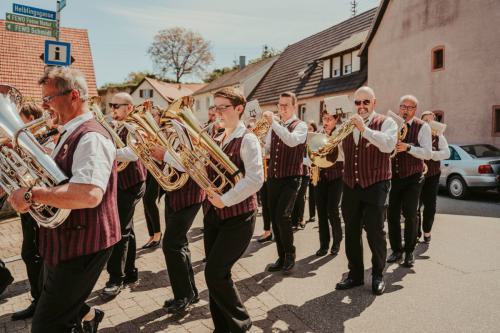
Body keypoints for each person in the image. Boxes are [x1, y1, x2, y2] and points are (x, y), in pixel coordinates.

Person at [7, 66, 120, 333]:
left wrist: (31, 194)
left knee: (47, 325)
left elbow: (88, 194)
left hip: (83, 243)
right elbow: (57, 178)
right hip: (66, 239)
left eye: (49, 99)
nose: (44, 106)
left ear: (74, 96)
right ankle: (86, 317)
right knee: (62, 309)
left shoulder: (91, 137)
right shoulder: (67, 131)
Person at [203, 87, 263, 332]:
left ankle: (240, 323)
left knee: (215, 273)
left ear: (239, 108)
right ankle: (222, 327)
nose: (217, 112)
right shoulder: (217, 137)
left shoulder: (247, 139)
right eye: (215, 107)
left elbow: (256, 179)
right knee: (215, 274)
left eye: (222, 107)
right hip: (213, 215)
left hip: (239, 216)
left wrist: (225, 200)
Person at [335, 86, 397, 295]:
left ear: (374, 103)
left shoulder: (386, 123)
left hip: (376, 184)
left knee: (375, 232)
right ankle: (355, 275)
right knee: (351, 232)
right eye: (357, 103)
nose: (361, 107)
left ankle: (378, 274)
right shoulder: (347, 125)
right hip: (351, 184)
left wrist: (365, 130)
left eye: (365, 102)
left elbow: (388, 146)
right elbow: (341, 153)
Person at [149, 145, 205, 313]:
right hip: (174, 195)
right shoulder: (170, 136)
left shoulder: (190, 135)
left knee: (171, 245)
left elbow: (192, 165)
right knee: (180, 243)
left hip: (189, 197)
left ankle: (183, 296)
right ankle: (189, 293)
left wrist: (165, 155)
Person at [104, 92, 147, 296]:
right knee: (126, 228)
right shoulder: (112, 126)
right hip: (117, 183)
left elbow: (132, 153)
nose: (112, 109)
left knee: (119, 229)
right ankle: (129, 272)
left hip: (131, 183)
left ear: (129, 108)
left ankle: (116, 278)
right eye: (111, 106)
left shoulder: (136, 127)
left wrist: (106, 151)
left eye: (116, 106)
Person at [263, 92, 307, 274]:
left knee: (283, 216)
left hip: (291, 177)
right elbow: (267, 148)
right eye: (280, 105)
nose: (281, 109)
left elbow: (291, 141)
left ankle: (290, 253)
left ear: (294, 107)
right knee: (274, 218)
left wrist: (273, 123)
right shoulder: (275, 127)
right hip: (274, 177)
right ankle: (281, 256)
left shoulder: (301, 126)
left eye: (286, 105)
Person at [387, 95, 432, 268]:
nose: (405, 110)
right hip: (394, 175)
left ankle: (409, 251)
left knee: (411, 214)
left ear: (415, 110)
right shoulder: (392, 124)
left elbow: (427, 153)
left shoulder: (423, 127)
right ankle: (396, 249)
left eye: (410, 107)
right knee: (392, 214)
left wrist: (408, 147)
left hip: (414, 176)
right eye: (403, 107)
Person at [11, 103, 45, 321]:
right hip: (27, 204)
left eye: (20, 118)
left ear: (31, 118)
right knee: (32, 254)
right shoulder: (25, 140)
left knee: (33, 254)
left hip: (39, 204)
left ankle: (42, 301)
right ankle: (39, 299)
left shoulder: (43, 138)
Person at [314, 111, 344, 256]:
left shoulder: (341, 134)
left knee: (332, 210)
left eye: (329, 119)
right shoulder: (318, 134)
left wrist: (334, 142)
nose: (326, 122)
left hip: (337, 175)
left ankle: (337, 241)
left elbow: (344, 155)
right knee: (321, 211)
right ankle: (323, 244)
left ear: (336, 120)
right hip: (321, 176)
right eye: (324, 118)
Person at [418, 111, 450, 243]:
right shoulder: (418, 135)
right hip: (417, 174)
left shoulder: (439, 137)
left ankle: (427, 231)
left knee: (430, 206)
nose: (428, 123)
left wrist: (431, 154)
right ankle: (414, 233)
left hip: (433, 175)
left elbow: (446, 153)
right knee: (415, 206)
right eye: (425, 120)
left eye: (431, 121)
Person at [142, 107, 163, 249]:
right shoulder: (148, 131)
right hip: (149, 167)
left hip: (160, 168)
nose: (151, 118)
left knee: (150, 199)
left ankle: (157, 233)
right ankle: (151, 234)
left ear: (160, 117)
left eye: (153, 115)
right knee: (145, 200)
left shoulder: (163, 131)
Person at [306, 121, 318, 223]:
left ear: (314, 130)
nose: (308, 131)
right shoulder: (306, 141)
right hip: (310, 169)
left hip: (318, 168)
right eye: (307, 129)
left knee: (318, 193)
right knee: (312, 194)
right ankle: (312, 215)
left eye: (310, 129)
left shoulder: (317, 140)